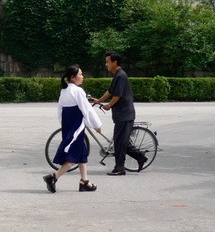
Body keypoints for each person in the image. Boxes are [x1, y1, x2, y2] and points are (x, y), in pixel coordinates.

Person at [43, 64, 102, 193]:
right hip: (77, 127)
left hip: (68, 125)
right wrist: (96, 125)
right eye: (80, 74)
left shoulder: (64, 91)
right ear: (72, 77)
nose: (82, 76)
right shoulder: (78, 91)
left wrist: (64, 124)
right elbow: (87, 109)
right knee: (72, 157)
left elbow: (60, 111)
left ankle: (84, 181)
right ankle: (53, 177)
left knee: (82, 153)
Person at [93, 52, 147, 175]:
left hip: (125, 114)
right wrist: (99, 100)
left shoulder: (121, 76)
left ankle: (120, 168)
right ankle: (140, 157)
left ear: (115, 62)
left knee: (119, 143)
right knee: (122, 142)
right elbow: (110, 91)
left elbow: (117, 95)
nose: (106, 64)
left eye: (107, 61)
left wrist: (109, 105)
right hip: (122, 114)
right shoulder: (117, 75)